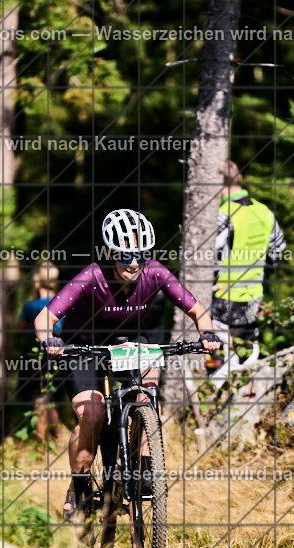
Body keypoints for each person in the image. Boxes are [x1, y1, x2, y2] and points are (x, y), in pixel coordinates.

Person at [35, 209, 221, 521]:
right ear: (110, 252)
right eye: (124, 256)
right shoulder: (92, 275)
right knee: (92, 413)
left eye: (139, 255)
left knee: (149, 393)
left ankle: (147, 468)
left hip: (128, 341)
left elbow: (197, 309)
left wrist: (207, 333)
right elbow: (46, 317)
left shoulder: (156, 273)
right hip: (84, 345)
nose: (132, 264)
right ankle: (79, 486)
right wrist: (48, 340)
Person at [209, 159, 286, 368]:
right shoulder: (265, 212)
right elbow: (278, 249)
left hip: (222, 298)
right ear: (240, 178)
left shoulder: (223, 215)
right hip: (253, 295)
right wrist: (262, 275)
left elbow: (212, 256)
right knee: (248, 356)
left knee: (220, 361)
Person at [17, 261, 64, 441]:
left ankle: (40, 441)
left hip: (35, 353)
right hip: (58, 351)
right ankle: (58, 437)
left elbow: (20, 327)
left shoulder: (31, 306)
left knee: (38, 398)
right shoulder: (63, 300)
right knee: (49, 397)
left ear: (37, 282)